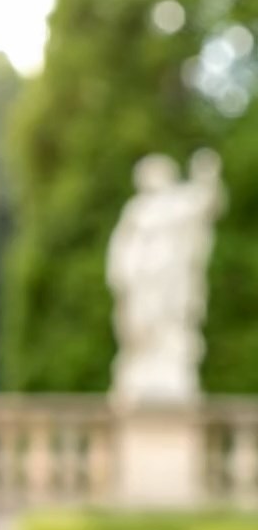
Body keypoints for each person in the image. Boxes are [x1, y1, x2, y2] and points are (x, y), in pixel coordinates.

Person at [106, 150, 224, 408]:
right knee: (142, 324)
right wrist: (121, 274)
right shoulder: (137, 210)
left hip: (171, 278)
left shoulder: (177, 204)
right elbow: (122, 246)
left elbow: (206, 202)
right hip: (145, 279)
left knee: (170, 322)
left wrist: (207, 175)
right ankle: (145, 370)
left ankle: (169, 370)